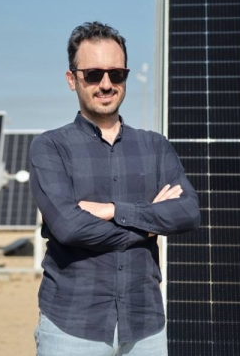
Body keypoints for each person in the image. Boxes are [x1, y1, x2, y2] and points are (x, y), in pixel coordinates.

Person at [29, 21, 200, 356]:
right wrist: (151, 225)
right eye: (93, 74)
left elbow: (188, 212)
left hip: (145, 326)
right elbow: (70, 228)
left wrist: (115, 212)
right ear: (72, 79)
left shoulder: (155, 146)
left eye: (116, 74)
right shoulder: (50, 147)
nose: (105, 84)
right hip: (72, 326)